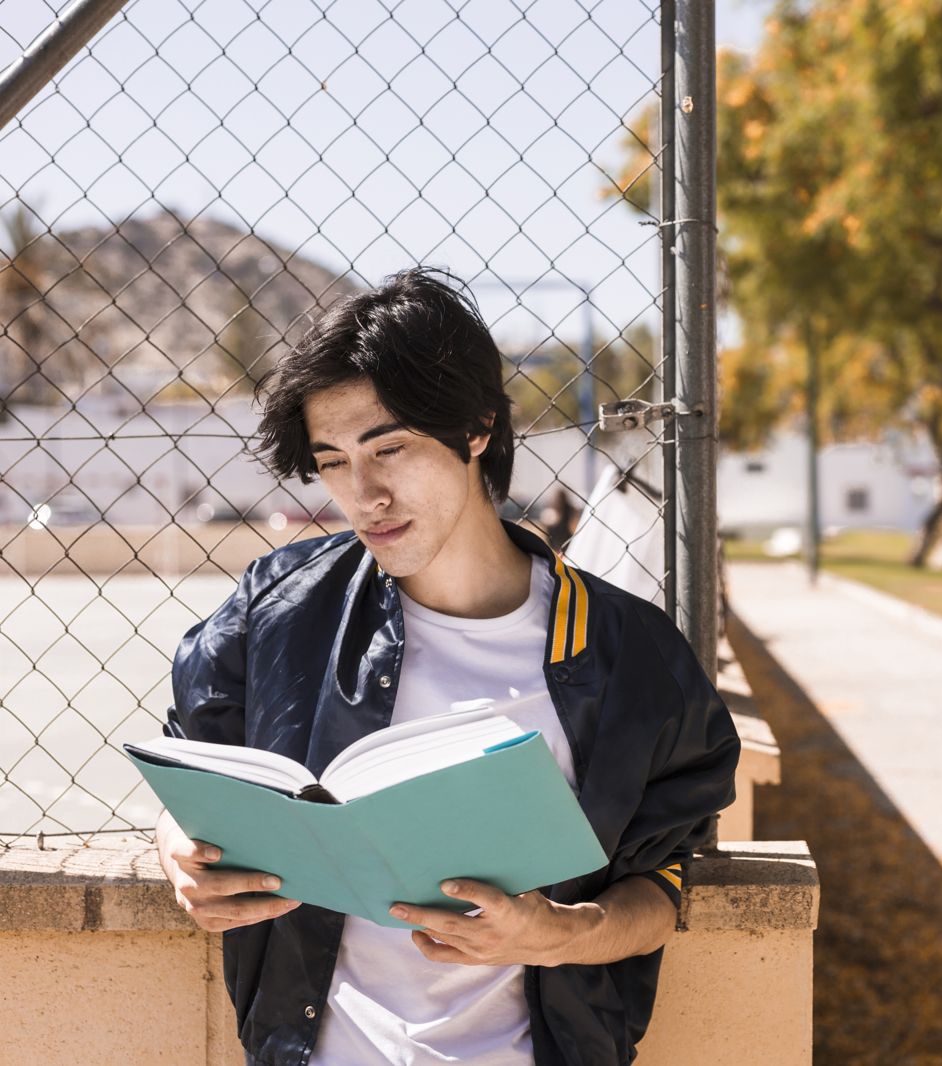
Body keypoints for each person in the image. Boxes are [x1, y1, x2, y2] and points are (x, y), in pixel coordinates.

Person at [154, 266, 740, 1065]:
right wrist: (180, 858)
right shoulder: (280, 606)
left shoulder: (629, 653)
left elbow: (662, 883)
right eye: (332, 461)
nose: (364, 496)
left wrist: (561, 933)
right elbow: (188, 774)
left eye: (389, 449)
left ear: (476, 429)